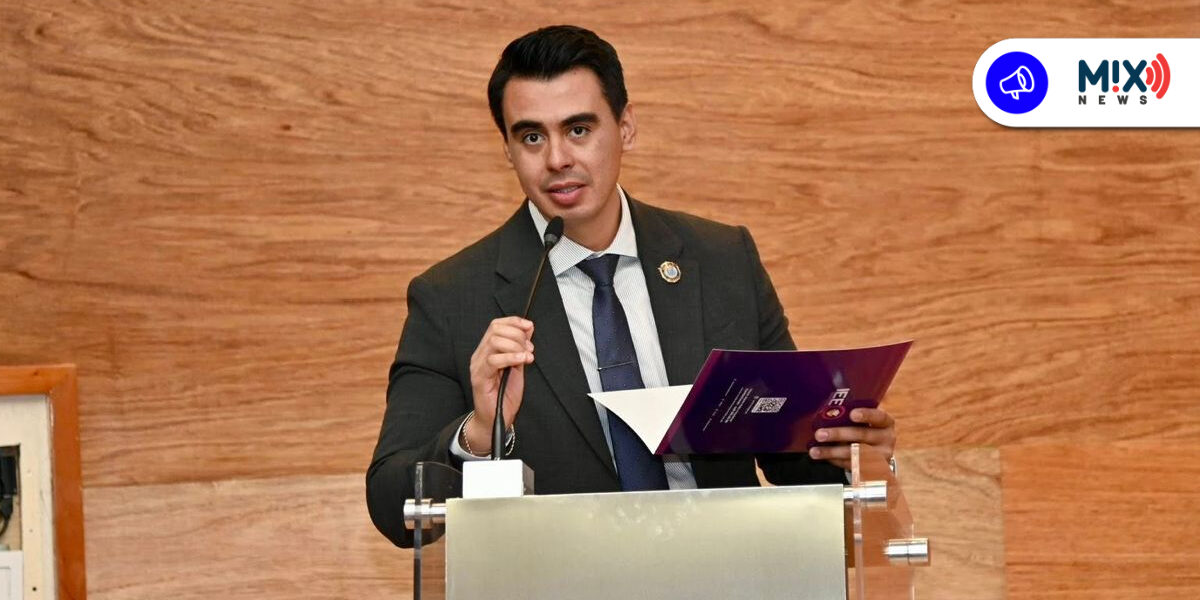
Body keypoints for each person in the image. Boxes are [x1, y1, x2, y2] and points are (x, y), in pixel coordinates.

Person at [366, 24, 897, 547]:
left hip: (726, 566)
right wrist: (480, 434)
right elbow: (393, 505)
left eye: (579, 130)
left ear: (625, 127)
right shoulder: (452, 297)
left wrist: (854, 452)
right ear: (507, 149)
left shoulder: (721, 260)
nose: (557, 159)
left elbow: (791, 459)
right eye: (531, 137)